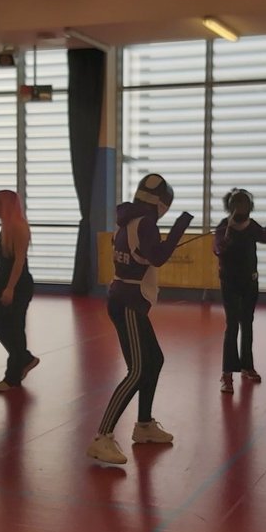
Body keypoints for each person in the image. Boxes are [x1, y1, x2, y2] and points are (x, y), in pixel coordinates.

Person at [87, 174, 193, 465]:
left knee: (154, 361)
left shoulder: (129, 220)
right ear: (162, 204)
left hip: (125, 297)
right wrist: (179, 228)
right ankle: (102, 437)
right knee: (137, 370)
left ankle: (144, 425)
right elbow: (157, 257)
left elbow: (144, 256)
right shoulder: (145, 223)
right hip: (129, 302)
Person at [214, 189, 266, 393]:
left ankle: (247, 366)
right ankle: (227, 374)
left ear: (249, 206)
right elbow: (218, 249)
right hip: (229, 283)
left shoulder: (251, 226)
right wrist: (226, 236)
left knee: (247, 324)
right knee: (232, 326)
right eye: (237, 204)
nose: (241, 208)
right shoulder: (223, 226)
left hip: (250, 283)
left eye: (244, 204)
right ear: (230, 206)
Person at [0, 190, 37, 393]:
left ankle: (12, 377)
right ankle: (24, 358)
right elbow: (3, 261)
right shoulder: (5, 228)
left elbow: (19, 261)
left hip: (18, 286)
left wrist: (10, 288)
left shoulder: (19, 227)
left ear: (4, 206)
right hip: (3, 283)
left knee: (14, 329)